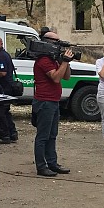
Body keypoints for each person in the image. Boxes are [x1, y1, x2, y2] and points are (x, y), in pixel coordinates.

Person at [32, 31, 73, 177]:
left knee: (52, 135)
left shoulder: (53, 59)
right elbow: (56, 78)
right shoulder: (44, 60)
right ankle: (41, 166)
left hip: (53, 101)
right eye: (56, 42)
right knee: (43, 136)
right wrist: (65, 62)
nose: (58, 44)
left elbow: (66, 77)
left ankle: (52, 163)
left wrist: (65, 61)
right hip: (44, 101)